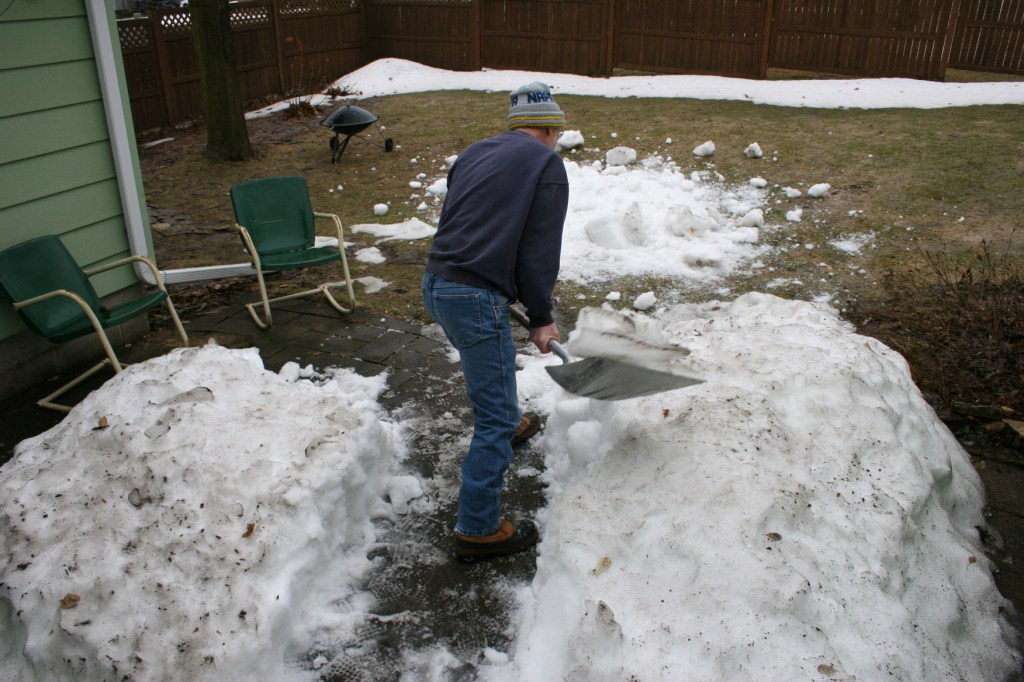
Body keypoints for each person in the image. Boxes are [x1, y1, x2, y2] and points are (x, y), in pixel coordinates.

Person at [422, 81, 570, 561]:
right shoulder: (546, 163)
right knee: (490, 419)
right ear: (551, 128)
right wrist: (542, 318)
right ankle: (479, 527)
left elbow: (460, 217)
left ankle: (511, 420)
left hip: (437, 281)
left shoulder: (474, 153)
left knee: (491, 369)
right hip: (474, 294)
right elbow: (539, 247)